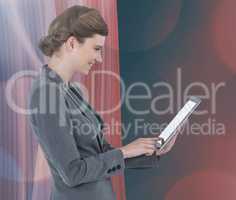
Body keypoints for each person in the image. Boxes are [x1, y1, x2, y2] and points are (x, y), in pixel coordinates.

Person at [28, 5, 177, 200]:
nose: (99, 58)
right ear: (72, 43)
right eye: (96, 49)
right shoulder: (46, 93)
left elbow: (97, 154)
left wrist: (148, 150)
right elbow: (73, 173)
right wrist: (124, 151)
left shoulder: (69, 90)